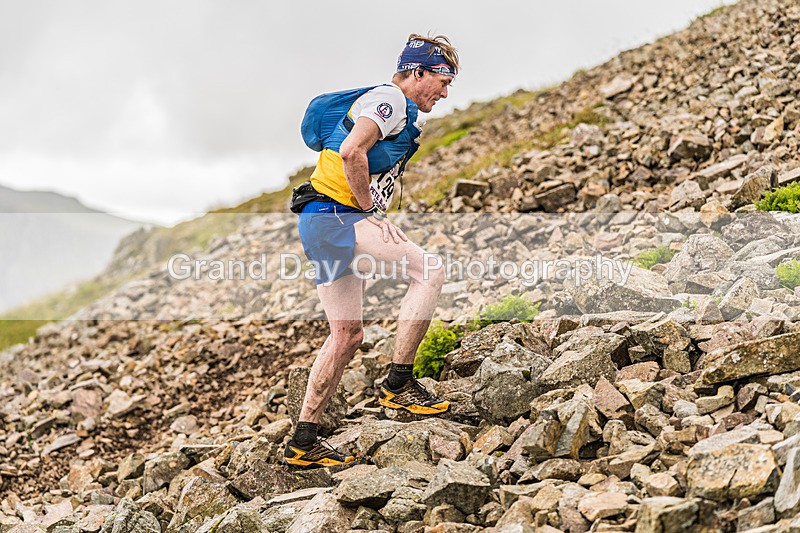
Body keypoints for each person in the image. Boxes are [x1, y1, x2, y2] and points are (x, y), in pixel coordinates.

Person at [283, 34, 459, 468]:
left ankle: (303, 441)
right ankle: (399, 383)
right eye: (443, 81)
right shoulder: (390, 99)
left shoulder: (394, 106)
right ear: (418, 72)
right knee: (429, 272)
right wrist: (371, 212)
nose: (445, 93)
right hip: (338, 214)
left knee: (347, 335)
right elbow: (351, 152)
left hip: (318, 219)